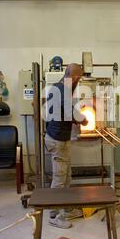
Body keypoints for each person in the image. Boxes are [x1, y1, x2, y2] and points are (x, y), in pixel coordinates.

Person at [45, 63, 88, 229]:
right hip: (57, 140)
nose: (79, 81)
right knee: (59, 178)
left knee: (67, 175)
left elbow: (63, 112)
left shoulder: (59, 88)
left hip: (61, 138)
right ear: (75, 77)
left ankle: (66, 208)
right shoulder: (64, 89)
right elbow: (70, 111)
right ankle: (54, 215)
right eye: (79, 78)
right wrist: (82, 119)